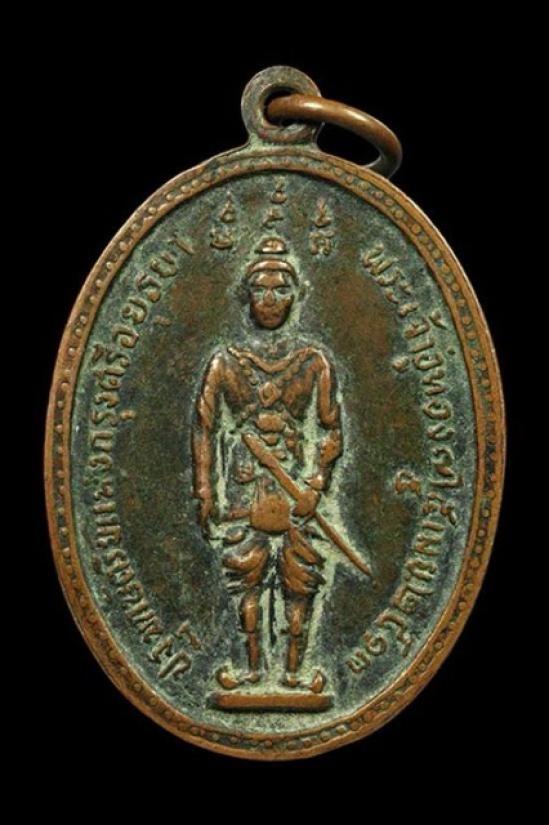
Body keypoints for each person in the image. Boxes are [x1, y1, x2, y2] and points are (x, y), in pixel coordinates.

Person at [192, 238, 342, 693]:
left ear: (296, 295)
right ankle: (253, 671)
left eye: (280, 289)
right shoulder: (225, 362)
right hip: (244, 486)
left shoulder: (313, 362)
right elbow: (204, 426)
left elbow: (331, 430)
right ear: (247, 295)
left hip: (295, 489)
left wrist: (316, 483)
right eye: (261, 289)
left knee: (301, 579)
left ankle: (294, 673)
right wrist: (205, 489)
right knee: (247, 577)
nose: (271, 299)